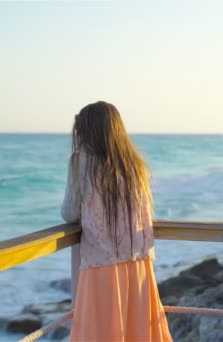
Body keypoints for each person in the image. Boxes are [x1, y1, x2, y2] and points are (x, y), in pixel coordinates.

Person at [61, 101, 173, 341]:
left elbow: (69, 212)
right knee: (138, 331)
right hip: (138, 261)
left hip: (102, 262)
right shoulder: (135, 164)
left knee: (100, 332)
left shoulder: (81, 161)